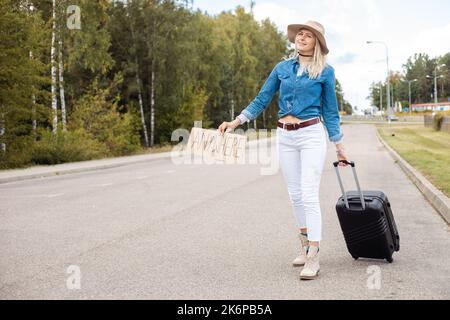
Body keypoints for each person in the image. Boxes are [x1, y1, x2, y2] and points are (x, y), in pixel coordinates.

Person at [217, 21, 348, 280]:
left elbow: (330, 111)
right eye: (300, 33)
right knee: (295, 194)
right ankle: (304, 242)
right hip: (284, 136)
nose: (302, 36)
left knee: (309, 193)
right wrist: (236, 122)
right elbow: (262, 99)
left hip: (311, 134)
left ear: (316, 43)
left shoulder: (325, 71)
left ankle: (314, 254)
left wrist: (339, 145)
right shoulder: (282, 68)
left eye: (308, 35)